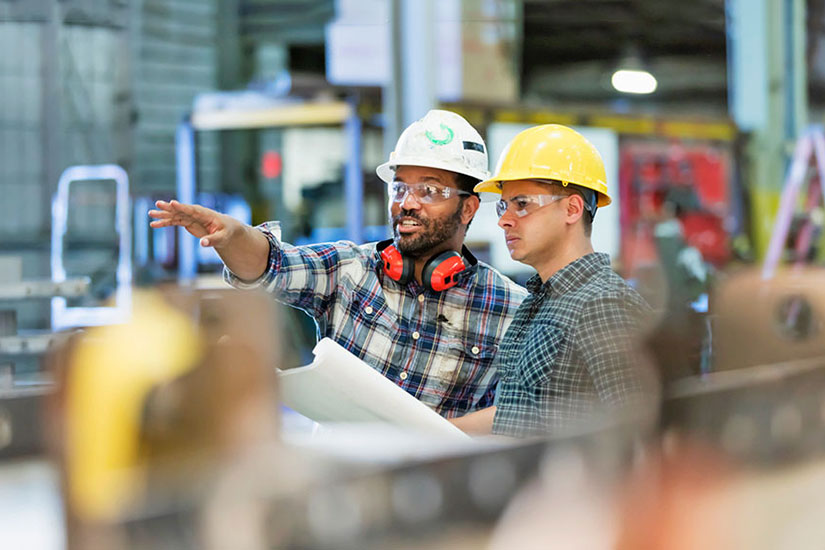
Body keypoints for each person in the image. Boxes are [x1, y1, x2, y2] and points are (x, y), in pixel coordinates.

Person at [149, 110, 526, 418]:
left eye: (428, 190)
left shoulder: (509, 309)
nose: (407, 203)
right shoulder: (350, 270)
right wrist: (231, 236)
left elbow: (517, 418)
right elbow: (272, 264)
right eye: (400, 188)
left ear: (470, 206)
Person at [451, 124, 656, 437]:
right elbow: (515, 414)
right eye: (505, 205)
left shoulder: (603, 306)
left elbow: (643, 431)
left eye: (522, 204)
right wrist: (428, 431)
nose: (504, 219)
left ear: (572, 209)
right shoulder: (537, 304)